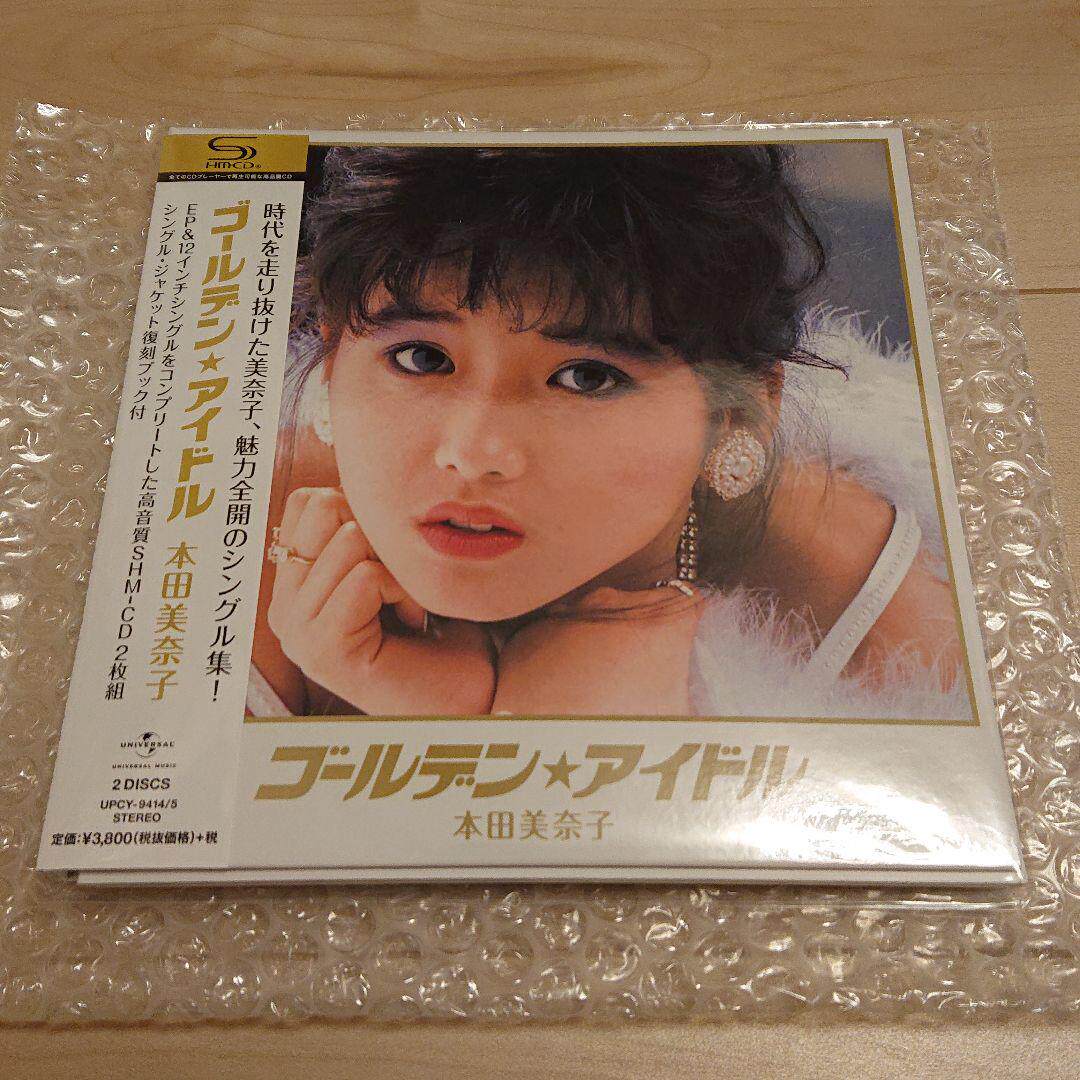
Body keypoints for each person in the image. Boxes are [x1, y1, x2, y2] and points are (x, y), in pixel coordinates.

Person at [248, 144, 967, 719]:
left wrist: (521, 735)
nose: (471, 456)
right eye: (421, 358)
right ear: (334, 354)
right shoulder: (237, 541)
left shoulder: (885, 638)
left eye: (586, 377)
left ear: (736, 416)